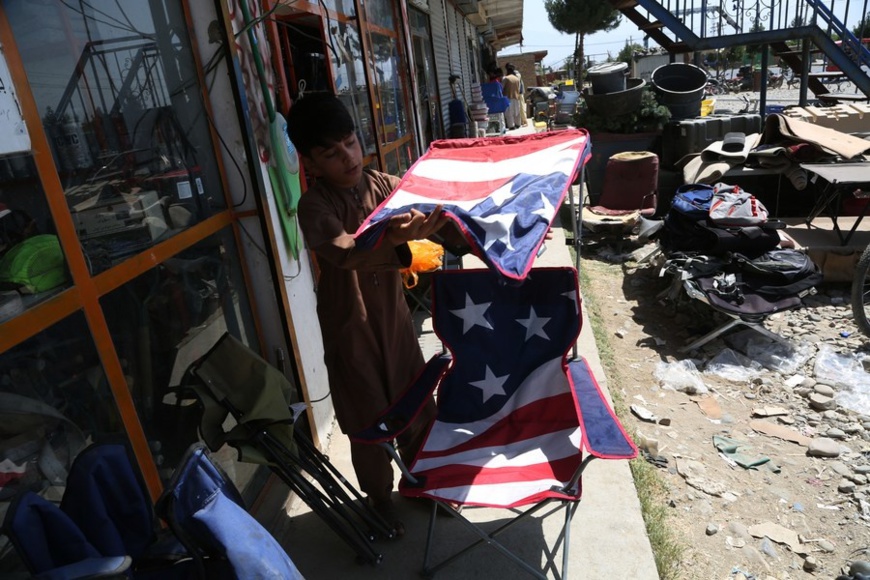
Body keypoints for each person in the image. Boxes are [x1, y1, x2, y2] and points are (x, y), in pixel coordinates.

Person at [286, 93, 448, 535]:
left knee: (417, 407)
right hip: (350, 331)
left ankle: (422, 483)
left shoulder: (381, 184)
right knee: (368, 424)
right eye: (331, 153)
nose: (348, 158)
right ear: (311, 164)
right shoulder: (314, 206)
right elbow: (345, 252)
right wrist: (395, 240)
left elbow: (431, 199)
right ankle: (379, 502)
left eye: (351, 143)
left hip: (395, 323)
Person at [501, 64, 522, 130]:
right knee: (517, 112)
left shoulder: (506, 78)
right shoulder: (517, 79)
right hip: (517, 97)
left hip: (508, 97)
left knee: (509, 112)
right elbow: (518, 88)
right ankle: (518, 124)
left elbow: (502, 87)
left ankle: (511, 126)